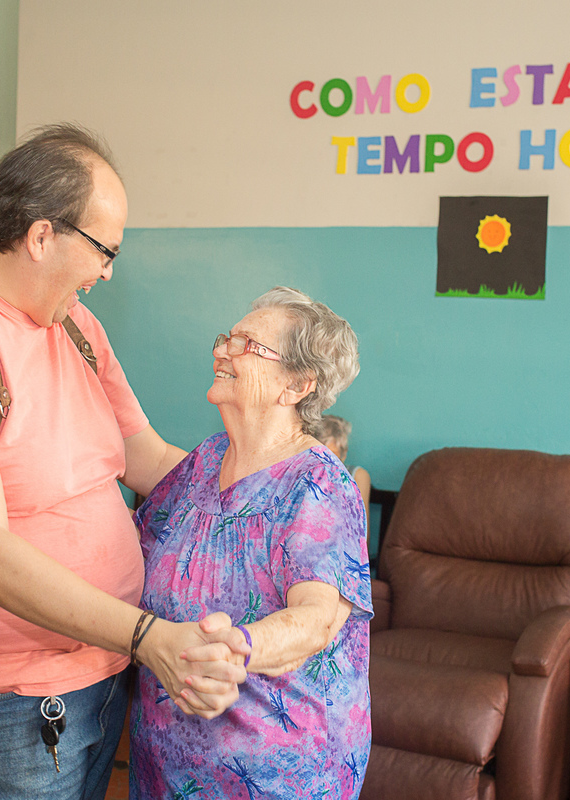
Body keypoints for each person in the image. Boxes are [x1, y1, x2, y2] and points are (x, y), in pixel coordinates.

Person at [0, 124, 246, 800]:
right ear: (41, 236)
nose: (108, 272)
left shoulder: (74, 325)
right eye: (105, 250)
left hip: (91, 676)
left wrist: (271, 489)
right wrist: (149, 638)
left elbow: (144, 456)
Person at [130, 287, 372, 800]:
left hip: (275, 775)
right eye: (226, 338)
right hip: (166, 763)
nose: (222, 351)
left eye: (246, 345)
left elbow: (316, 618)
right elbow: (134, 544)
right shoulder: (205, 461)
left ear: (296, 385)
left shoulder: (318, 485)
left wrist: (235, 648)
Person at [315, 414, 371, 510]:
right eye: (319, 456)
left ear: (343, 454)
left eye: (332, 457)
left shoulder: (357, 476)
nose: (325, 463)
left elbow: (362, 519)